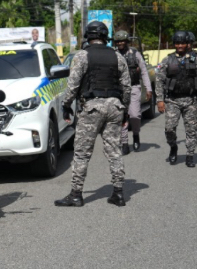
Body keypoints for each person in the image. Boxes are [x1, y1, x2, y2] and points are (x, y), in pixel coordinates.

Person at [55, 21, 131, 207]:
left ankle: (76, 195)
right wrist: (125, 110)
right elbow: (126, 87)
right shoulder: (117, 56)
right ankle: (119, 193)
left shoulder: (82, 56)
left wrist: (66, 105)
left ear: (88, 36)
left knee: (81, 153)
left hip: (91, 107)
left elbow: (72, 85)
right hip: (115, 107)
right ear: (106, 37)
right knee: (114, 152)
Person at [155, 31, 197, 168]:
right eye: (177, 43)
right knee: (169, 129)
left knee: (191, 130)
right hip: (172, 101)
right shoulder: (167, 60)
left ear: (187, 44)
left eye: (182, 43)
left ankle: (190, 155)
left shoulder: (196, 59)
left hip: (190, 100)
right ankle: (173, 147)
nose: (179, 45)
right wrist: (159, 100)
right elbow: (159, 80)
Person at [113, 30, 151, 155]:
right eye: (118, 41)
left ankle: (136, 134)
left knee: (134, 115)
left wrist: (148, 88)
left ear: (127, 41)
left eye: (122, 41)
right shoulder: (113, 54)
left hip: (134, 87)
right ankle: (124, 143)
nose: (120, 43)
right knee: (122, 116)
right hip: (118, 89)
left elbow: (144, 71)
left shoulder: (135, 54)